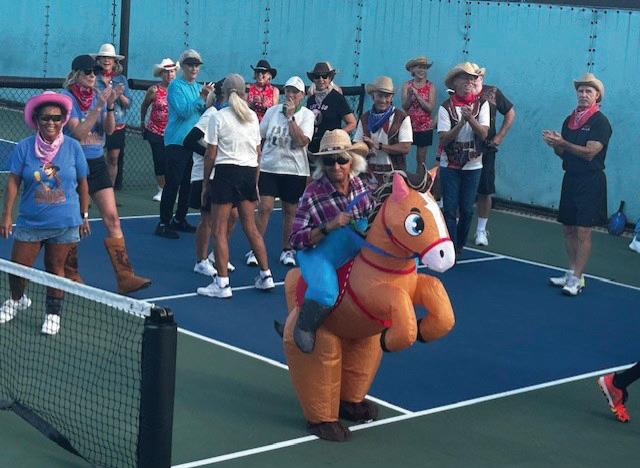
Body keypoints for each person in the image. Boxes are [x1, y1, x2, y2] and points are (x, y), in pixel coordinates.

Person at [0, 91, 90, 335]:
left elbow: (83, 183)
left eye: (57, 118)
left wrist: (84, 215)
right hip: (31, 221)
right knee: (18, 267)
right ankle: (17, 300)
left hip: (65, 222)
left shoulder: (73, 147)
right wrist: (6, 215)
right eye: (46, 118)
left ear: (63, 120)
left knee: (55, 269)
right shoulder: (24, 147)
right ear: (36, 120)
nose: (51, 122)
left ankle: (53, 314)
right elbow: (13, 182)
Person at [63, 54, 150, 294]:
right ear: (76, 75)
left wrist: (110, 105)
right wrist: (100, 105)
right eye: (88, 72)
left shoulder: (98, 96)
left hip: (97, 163)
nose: (93, 75)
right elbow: (78, 134)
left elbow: (109, 130)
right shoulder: (67, 99)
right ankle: (70, 272)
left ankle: (125, 277)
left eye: (95, 71)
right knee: (73, 221)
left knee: (113, 218)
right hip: (73, 164)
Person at [289, 129, 372, 353]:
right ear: (322, 165)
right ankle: (304, 328)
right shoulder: (312, 193)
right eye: (329, 161)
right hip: (318, 254)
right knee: (325, 290)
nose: (336, 166)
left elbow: (373, 219)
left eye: (341, 159)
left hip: (353, 249)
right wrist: (329, 226)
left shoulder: (361, 187)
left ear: (351, 161)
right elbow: (295, 239)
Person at [196, 74, 275, 298]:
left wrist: (205, 184)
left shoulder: (218, 117)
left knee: (219, 230)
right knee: (251, 228)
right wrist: (255, 182)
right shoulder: (252, 117)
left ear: (223, 93)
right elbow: (258, 154)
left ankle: (222, 284)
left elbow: (211, 154)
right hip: (247, 173)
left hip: (226, 174)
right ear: (243, 93)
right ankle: (266, 276)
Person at [543, 73, 612, 296]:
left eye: (588, 91)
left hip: (591, 181)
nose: (583, 94)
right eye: (580, 91)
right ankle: (573, 273)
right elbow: (563, 153)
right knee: (568, 229)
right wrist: (555, 144)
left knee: (583, 231)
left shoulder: (600, 122)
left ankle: (577, 278)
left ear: (597, 96)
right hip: (570, 179)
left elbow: (590, 153)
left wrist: (563, 142)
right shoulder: (569, 120)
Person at [245, 76, 315, 268]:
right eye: (288, 91)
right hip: (269, 167)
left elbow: (302, 141)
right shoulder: (272, 111)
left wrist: (291, 117)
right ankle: (255, 250)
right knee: (264, 208)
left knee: (290, 210)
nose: (290, 95)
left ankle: (287, 249)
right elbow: (259, 136)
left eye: (295, 92)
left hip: (294, 170)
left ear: (302, 95)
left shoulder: (307, 115)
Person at [155, 49, 212, 239]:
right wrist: (202, 98)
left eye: (196, 65)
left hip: (192, 143)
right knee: (173, 183)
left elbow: (202, 113)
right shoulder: (175, 86)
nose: (194, 69)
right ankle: (163, 223)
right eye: (190, 65)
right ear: (184, 67)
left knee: (187, 183)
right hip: (176, 142)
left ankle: (180, 219)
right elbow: (183, 112)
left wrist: (208, 100)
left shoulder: (198, 88)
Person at [183, 92, 238, 276]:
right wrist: (211, 154)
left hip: (222, 174)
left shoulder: (230, 115)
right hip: (203, 174)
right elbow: (189, 140)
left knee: (233, 215)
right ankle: (201, 261)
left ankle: (217, 256)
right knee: (207, 218)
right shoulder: (211, 114)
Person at [437, 62, 489, 255]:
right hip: (449, 164)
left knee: (467, 209)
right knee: (450, 209)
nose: (469, 81)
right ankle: (452, 246)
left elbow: (483, 134)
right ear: (455, 82)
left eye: (472, 78)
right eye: (465, 78)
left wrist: (471, 119)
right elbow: (444, 138)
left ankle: (459, 243)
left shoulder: (482, 105)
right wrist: (460, 124)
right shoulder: (445, 107)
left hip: (473, 165)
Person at [473, 66, 516, 247]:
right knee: (459, 190)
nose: (473, 80)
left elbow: (510, 112)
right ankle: (456, 227)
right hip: (461, 151)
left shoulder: (492, 92)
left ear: (482, 77)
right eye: (469, 76)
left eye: (476, 76)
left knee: (485, 191)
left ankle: (481, 230)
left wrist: (499, 137)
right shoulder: (458, 92)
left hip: (486, 149)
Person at [354, 76, 413, 187]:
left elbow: (405, 148)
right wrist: (366, 148)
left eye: (387, 96)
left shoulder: (402, 117)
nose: (383, 100)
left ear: (392, 97)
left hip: (394, 174)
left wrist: (379, 146)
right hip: (369, 175)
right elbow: (357, 145)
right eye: (380, 95)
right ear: (373, 96)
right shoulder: (364, 118)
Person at [92, 43, 130, 189]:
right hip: (97, 124)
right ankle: (92, 191)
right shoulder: (92, 78)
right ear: (98, 60)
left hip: (117, 124)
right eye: (103, 57)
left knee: (113, 158)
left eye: (109, 58)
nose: (106, 60)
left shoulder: (121, 79)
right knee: (95, 158)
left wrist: (118, 95)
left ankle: (109, 190)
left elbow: (128, 103)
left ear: (115, 61)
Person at [140, 58, 179, 202]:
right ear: (161, 74)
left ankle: (173, 190)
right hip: (155, 132)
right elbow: (144, 106)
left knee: (173, 162)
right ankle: (162, 189)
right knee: (159, 160)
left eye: (172, 71)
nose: (170, 75)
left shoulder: (179, 89)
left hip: (173, 133)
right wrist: (142, 122)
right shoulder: (154, 90)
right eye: (166, 72)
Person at [306, 62, 356, 154]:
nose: (321, 79)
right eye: (317, 76)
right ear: (313, 79)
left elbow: (352, 123)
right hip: (313, 146)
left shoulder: (337, 97)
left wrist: (336, 135)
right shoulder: (311, 99)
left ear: (329, 78)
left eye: (324, 76)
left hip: (331, 147)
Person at [401, 56, 436, 177]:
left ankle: (419, 182)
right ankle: (402, 181)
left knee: (421, 159)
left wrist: (417, 96)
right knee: (401, 155)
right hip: (408, 126)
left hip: (424, 127)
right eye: (419, 67)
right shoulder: (407, 85)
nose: (422, 70)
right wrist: (411, 97)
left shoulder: (431, 86)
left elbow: (430, 108)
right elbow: (404, 106)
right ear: (412, 70)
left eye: (424, 68)